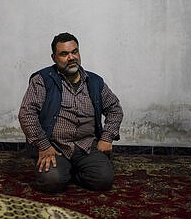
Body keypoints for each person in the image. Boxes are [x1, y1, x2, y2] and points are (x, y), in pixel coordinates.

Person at [18, 32, 123, 193]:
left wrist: (107, 137)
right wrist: (44, 146)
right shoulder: (42, 80)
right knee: (51, 182)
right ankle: (63, 171)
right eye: (64, 54)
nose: (71, 57)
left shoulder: (94, 81)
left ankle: (71, 172)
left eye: (74, 52)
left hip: (87, 146)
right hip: (55, 147)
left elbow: (114, 108)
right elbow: (27, 114)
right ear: (54, 58)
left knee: (103, 181)